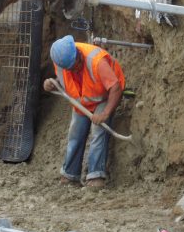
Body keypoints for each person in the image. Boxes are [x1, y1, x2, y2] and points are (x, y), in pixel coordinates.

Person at [43, 35, 125, 188]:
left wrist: (105, 113)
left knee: (98, 130)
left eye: (76, 65)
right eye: (71, 68)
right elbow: (63, 80)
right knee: (75, 133)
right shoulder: (61, 61)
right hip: (83, 100)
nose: (75, 69)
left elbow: (115, 87)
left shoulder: (96, 61)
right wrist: (52, 83)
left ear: (78, 54)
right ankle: (70, 174)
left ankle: (95, 176)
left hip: (105, 97)